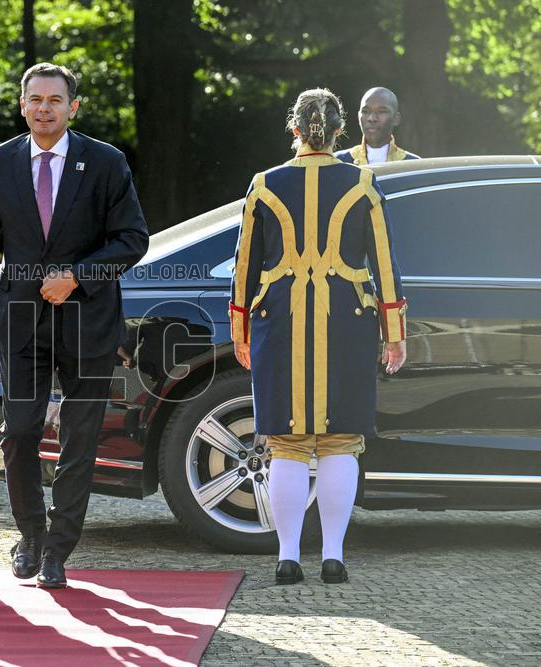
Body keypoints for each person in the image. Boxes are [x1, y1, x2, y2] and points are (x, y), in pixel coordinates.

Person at [0, 63, 149, 589]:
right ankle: (31, 535)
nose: (44, 108)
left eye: (55, 100)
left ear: (72, 107)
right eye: (35, 99)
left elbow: (132, 239)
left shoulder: (105, 162)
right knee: (18, 433)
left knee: (80, 440)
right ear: (22, 105)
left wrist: (78, 278)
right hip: (20, 321)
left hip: (89, 321)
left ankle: (60, 549)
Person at [230, 88, 408, 585]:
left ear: (294, 130)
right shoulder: (364, 183)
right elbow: (386, 265)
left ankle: (287, 556)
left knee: (285, 442)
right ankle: (333, 556)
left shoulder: (264, 185)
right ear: (337, 132)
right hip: (347, 322)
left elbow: (244, 267)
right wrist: (394, 331)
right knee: (340, 440)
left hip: (278, 319)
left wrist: (241, 327)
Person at [336, 86, 420, 165]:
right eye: (365, 111)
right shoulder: (339, 162)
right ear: (358, 117)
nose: (372, 118)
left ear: (396, 118)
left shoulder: (413, 165)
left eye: (381, 111)